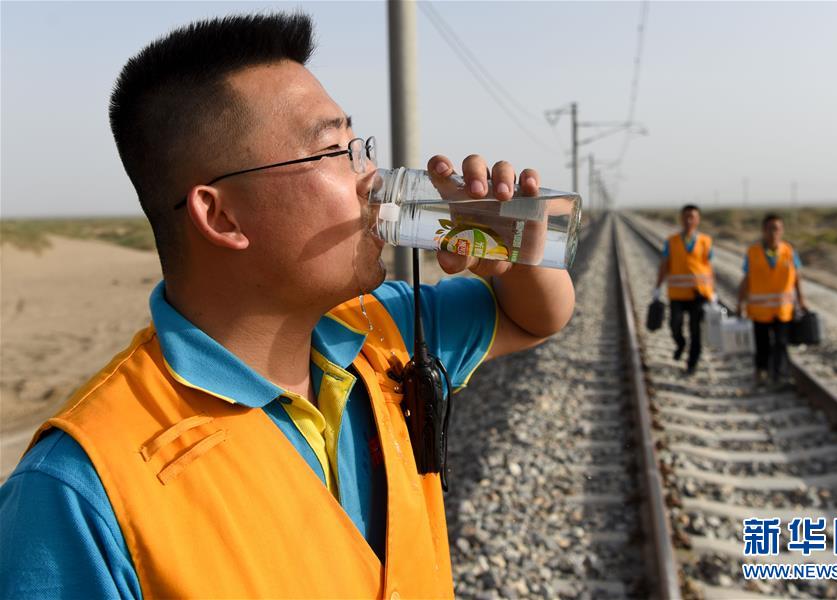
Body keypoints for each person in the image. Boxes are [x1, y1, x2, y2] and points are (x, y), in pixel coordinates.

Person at [0, 13, 575, 599]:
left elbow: (534, 318)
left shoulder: (381, 331)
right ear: (221, 215)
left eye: (359, 147)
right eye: (333, 151)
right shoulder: (81, 491)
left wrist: (508, 249)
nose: (371, 179)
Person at [737, 213, 806, 387]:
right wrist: (740, 302)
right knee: (762, 344)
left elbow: (797, 278)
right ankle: (761, 372)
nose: (773, 232)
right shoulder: (753, 252)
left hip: (783, 310)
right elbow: (746, 279)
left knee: (781, 343)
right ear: (763, 230)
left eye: (777, 229)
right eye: (770, 229)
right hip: (760, 310)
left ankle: (780, 376)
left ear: (782, 230)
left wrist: (801, 300)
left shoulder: (789, 251)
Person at [653, 204, 715, 375]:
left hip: (699, 294)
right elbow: (664, 266)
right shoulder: (671, 241)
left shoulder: (706, 241)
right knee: (675, 325)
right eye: (686, 217)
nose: (689, 220)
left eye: (692, 217)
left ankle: (692, 363)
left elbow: (709, 268)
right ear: (681, 219)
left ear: (698, 220)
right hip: (677, 295)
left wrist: (713, 292)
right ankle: (680, 344)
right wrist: (657, 287)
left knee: (696, 330)